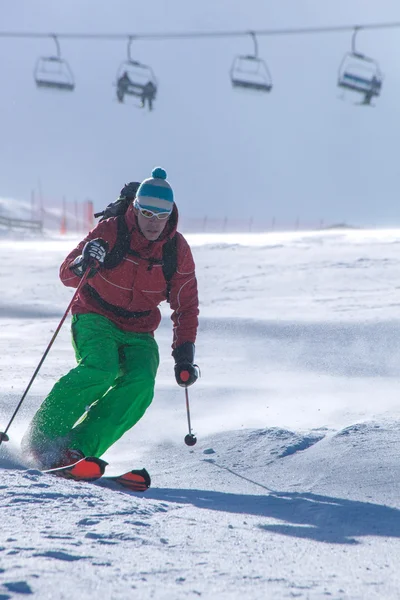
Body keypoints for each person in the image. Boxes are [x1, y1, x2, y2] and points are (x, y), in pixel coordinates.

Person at [22, 167, 199, 469]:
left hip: (140, 329)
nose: (153, 223)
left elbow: (186, 306)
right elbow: (66, 273)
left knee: (141, 383)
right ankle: (41, 440)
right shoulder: (111, 231)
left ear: (171, 214)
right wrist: (83, 262)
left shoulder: (176, 250)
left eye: (161, 216)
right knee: (100, 369)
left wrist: (184, 354)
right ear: (135, 208)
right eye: (147, 213)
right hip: (95, 314)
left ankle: (76, 451)